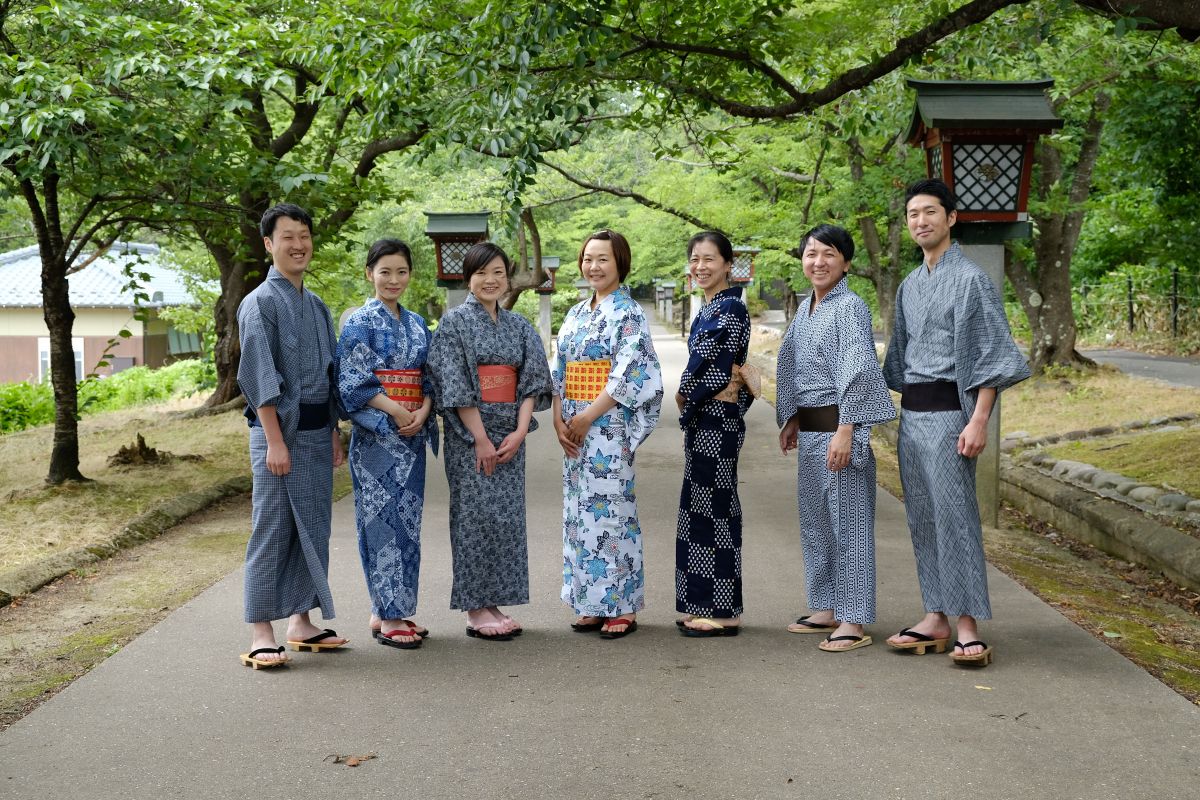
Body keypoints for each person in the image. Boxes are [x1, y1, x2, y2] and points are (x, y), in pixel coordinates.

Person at [882, 179, 1030, 666]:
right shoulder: (909, 284)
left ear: (951, 218)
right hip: (914, 416)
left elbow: (989, 354)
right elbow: (900, 359)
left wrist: (979, 419)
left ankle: (967, 624)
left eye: (929, 212)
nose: (920, 221)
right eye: (912, 215)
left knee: (955, 519)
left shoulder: (969, 279)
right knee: (923, 518)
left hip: (952, 417)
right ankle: (936, 616)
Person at [236, 203, 348, 669]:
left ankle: (301, 622)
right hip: (277, 433)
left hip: (318, 431)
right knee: (273, 527)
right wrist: (276, 440)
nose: (298, 244)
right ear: (268, 244)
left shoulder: (317, 304)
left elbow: (328, 374)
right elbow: (259, 375)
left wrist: (335, 430)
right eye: (288, 237)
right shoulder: (259, 302)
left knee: (314, 527)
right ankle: (262, 630)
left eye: (304, 235)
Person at [777, 224, 896, 652]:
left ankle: (853, 617)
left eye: (828, 254)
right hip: (811, 430)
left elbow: (859, 368)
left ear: (845, 263)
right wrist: (791, 418)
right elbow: (792, 367)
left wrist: (848, 428)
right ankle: (826, 603)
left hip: (840, 429)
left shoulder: (850, 308)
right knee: (817, 523)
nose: (818, 262)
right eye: (810, 254)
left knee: (850, 524)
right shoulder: (807, 308)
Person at [427, 242, 553, 640]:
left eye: (498, 272)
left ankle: (493, 601)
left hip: (511, 435)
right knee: (474, 518)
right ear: (468, 277)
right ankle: (474, 607)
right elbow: (455, 384)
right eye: (482, 273)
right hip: (471, 438)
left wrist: (519, 431)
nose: (490, 280)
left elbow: (532, 379)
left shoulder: (519, 326)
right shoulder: (453, 324)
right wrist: (480, 438)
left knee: (505, 520)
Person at [553, 229, 663, 639]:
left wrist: (587, 417)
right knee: (579, 514)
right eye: (588, 258)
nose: (593, 266)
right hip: (574, 426)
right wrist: (559, 419)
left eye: (602, 259)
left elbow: (632, 374)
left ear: (620, 263)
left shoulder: (629, 312)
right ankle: (590, 602)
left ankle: (621, 604)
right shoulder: (576, 313)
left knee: (612, 512)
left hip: (607, 425)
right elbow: (560, 368)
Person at [336, 239, 437, 650]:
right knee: (380, 523)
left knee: (408, 523)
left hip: (412, 435)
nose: (394, 280)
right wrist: (397, 411)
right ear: (369, 274)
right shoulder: (359, 322)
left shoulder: (416, 323)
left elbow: (429, 378)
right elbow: (352, 384)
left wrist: (424, 410)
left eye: (401, 272)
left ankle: (388, 610)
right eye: (385, 272)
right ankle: (391, 614)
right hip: (378, 439)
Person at [674, 231, 756, 637]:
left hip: (716, 418)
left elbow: (711, 362)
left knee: (715, 509)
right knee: (699, 507)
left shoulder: (730, 310)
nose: (700, 267)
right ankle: (702, 601)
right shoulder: (710, 308)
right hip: (707, 416)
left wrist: (686, 391)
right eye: (694, 259)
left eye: (709, 259)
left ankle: (723, 611)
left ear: (728, 264)